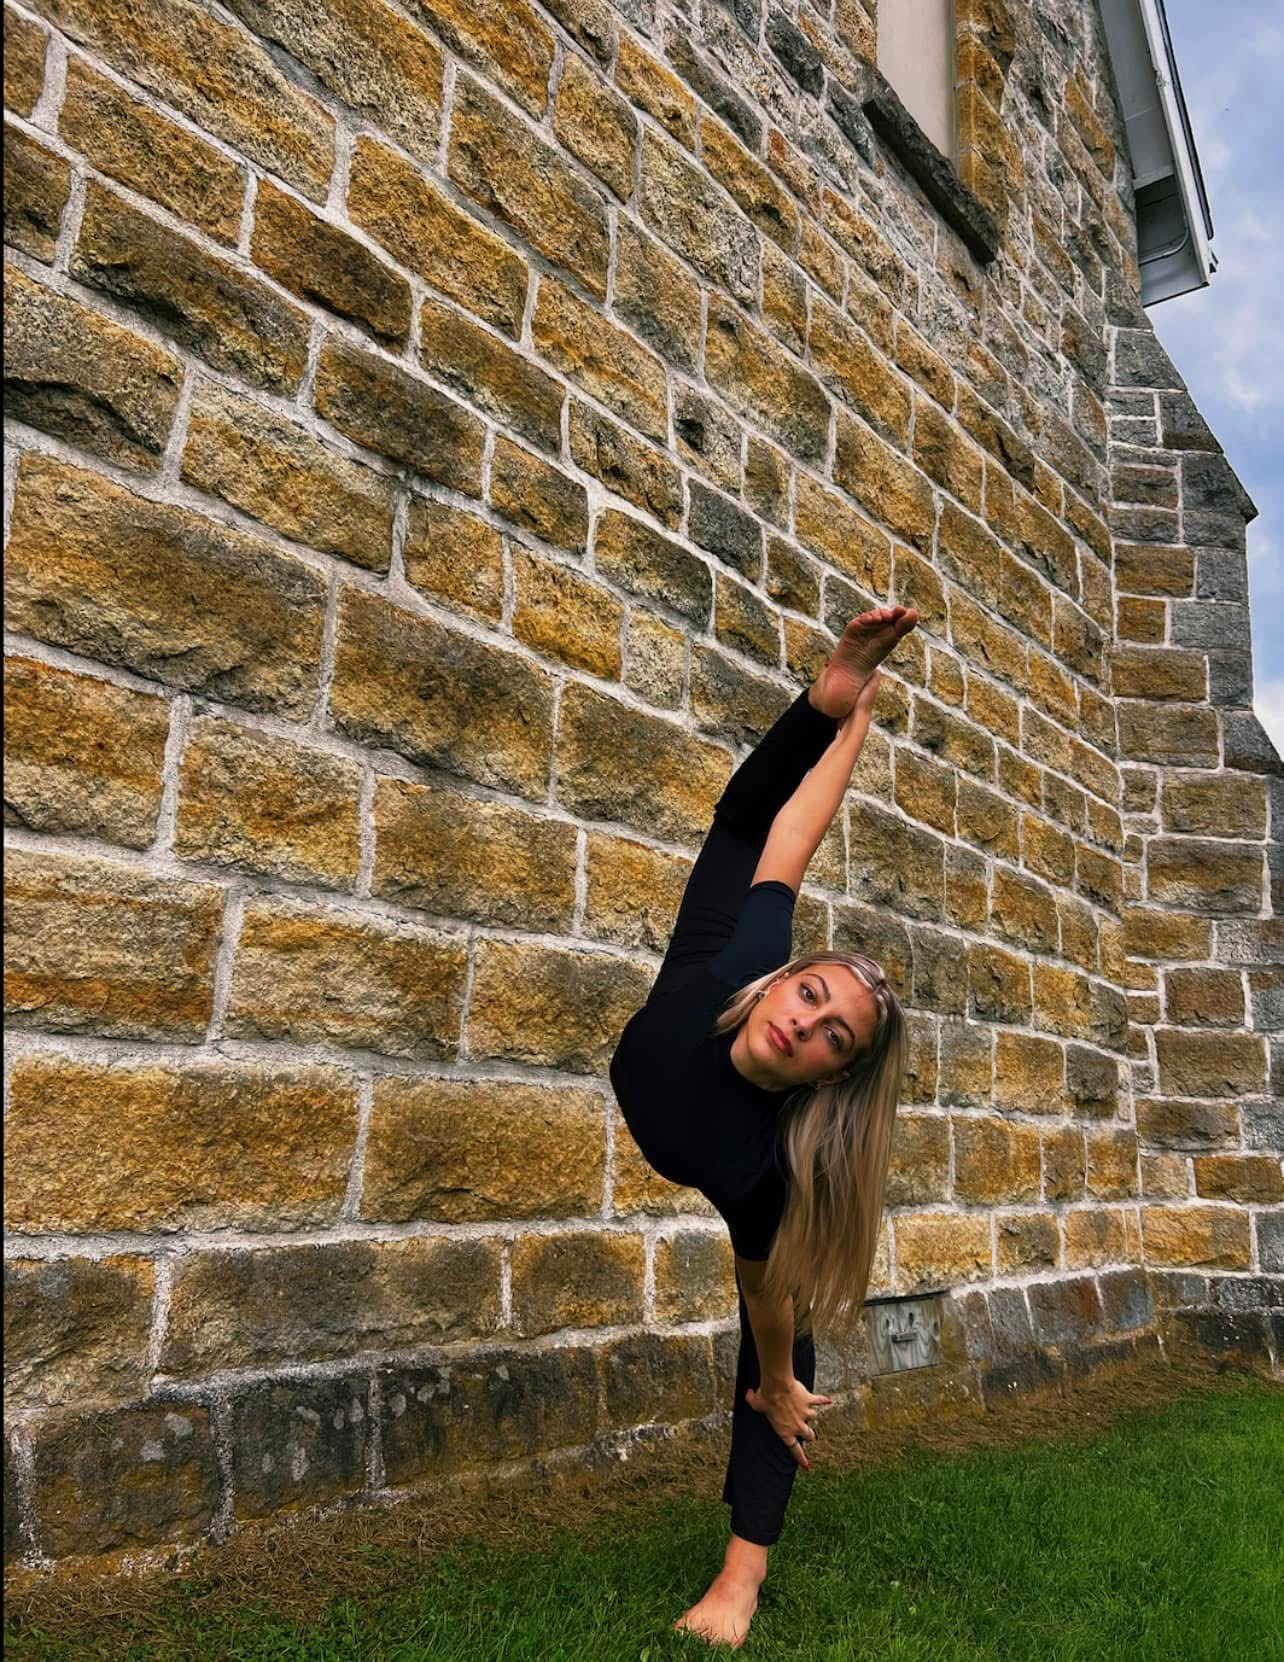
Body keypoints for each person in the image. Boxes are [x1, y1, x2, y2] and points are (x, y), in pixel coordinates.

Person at [608, 606, 918, 1649]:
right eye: (812, 993)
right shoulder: (739, 962)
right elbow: (774, 829)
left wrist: (778, 1381)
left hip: (730, 1183)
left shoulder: (771, 1164)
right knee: (754, 841)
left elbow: (763, 1295)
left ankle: (740, 1580)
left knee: (784, 1348)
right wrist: (835, 713)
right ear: (789, 977)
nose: (806, 1023)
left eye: (836, 1037)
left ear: (836, 1072)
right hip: (663, 1071)